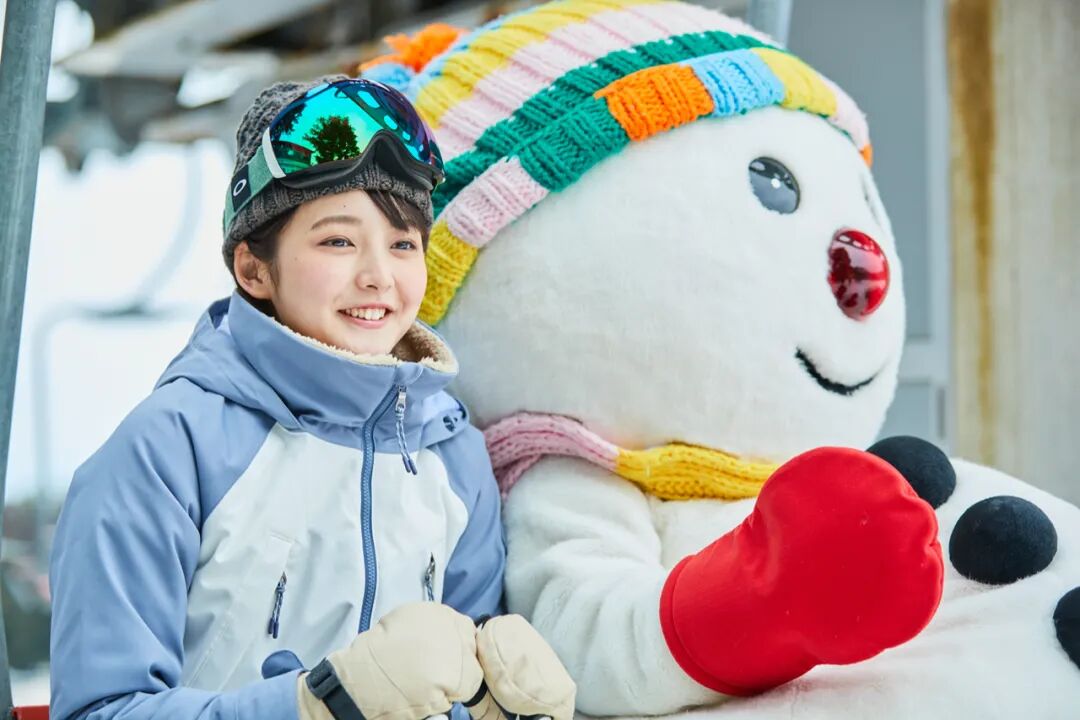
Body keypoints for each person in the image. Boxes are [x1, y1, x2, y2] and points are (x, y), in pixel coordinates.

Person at [48, 75, 575, 720]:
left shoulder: (453, 456)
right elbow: (100, 709)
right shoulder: (168, 451)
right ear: (254, 269)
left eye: (403, 244)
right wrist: (313, 705)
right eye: (338, 241)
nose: (378, 276)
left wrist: (497, 708)